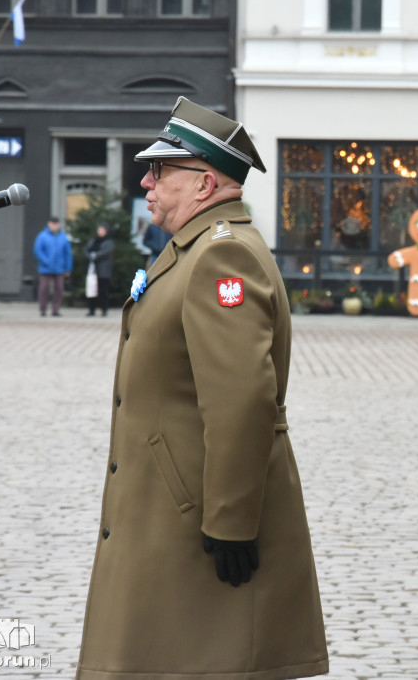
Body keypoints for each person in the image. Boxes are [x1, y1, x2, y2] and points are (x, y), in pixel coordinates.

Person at [76, 97, 328, 679]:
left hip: (195, 520)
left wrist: (231, 522)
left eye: (160, 170)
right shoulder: (197, 248)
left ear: (205, 182)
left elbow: (241, 401)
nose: (146, 180)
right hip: (171, 505)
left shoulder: (222, 256)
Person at [33, 216, 72, 317]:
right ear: (49, 224)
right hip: (46, 268)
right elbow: (38, 250)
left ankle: (55, 310)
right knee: (43, 289)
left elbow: (68, 253)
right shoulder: (42, 236)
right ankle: (43, 309)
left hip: (60, 268)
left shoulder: (63, 237)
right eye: (52, 224)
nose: (54, 226)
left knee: (59, 289)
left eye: (56, 224)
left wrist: (68, 268)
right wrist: (46, 261)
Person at [83, 224, 114, 317]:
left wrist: (95, 255)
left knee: (103, 290)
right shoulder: (93, 241)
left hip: (103, 270)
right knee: (91, 290)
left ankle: (104, 309)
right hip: (93, 270)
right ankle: (91, 309)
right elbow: (86, 250)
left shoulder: (108, 242)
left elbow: (106, 252)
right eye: (99, 230)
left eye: (102, 230)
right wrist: (90, 255)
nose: (100, 232)